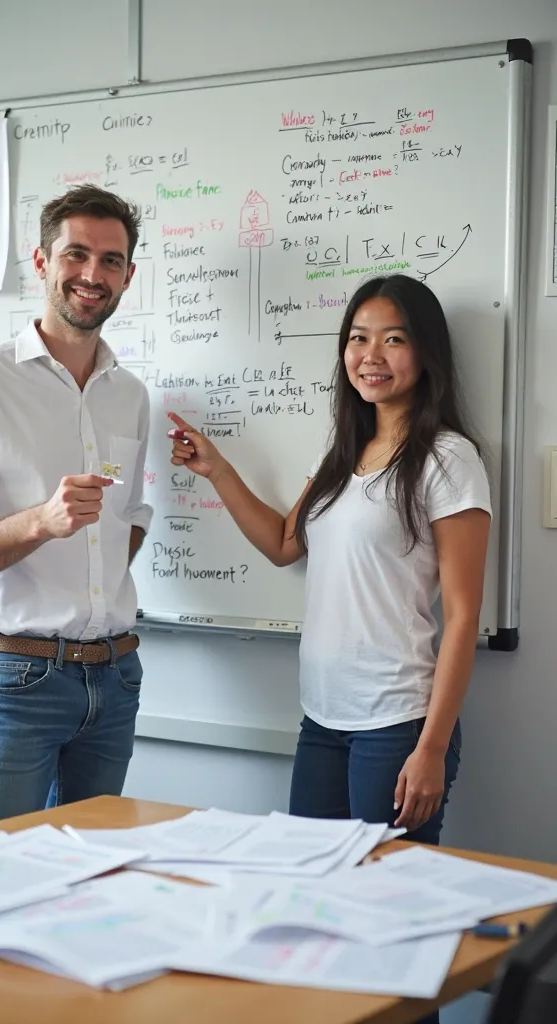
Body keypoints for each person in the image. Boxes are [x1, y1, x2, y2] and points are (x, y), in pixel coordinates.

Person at [169, 274, 491, 845]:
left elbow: (464, 616)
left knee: (383, 906)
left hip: (397, 722)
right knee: (316, 892)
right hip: (321, 717)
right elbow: (281, 545)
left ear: (426, 351)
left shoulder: (448, 458)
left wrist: (432, 749)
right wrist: (217, 469)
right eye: (358, 338)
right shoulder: (343, 453)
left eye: (394, 339)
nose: (371, 356)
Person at [0, 185, 153, 828]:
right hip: (20, 679)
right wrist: (39, 523)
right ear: (42, 262)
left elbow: (126, 519)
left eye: (111, 261)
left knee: (94, 882)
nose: (92, 275)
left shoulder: (130, 394)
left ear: (129, 276)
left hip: (116, 678)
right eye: (76, 255)